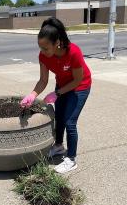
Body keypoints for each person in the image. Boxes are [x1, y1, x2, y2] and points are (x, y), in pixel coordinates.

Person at [21, 17, 91, 174]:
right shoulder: (43, 56)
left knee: (70, 122)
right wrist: (32, 94)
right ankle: (59, 146)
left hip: (80, 87)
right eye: (40, 47)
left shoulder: (73, 52)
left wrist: (57, 93)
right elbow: (43, 80)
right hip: (62, 86)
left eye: (46, 48)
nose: (42, 51)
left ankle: (71, 159)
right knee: (59, 117)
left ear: (57, 42)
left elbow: (78, 80)